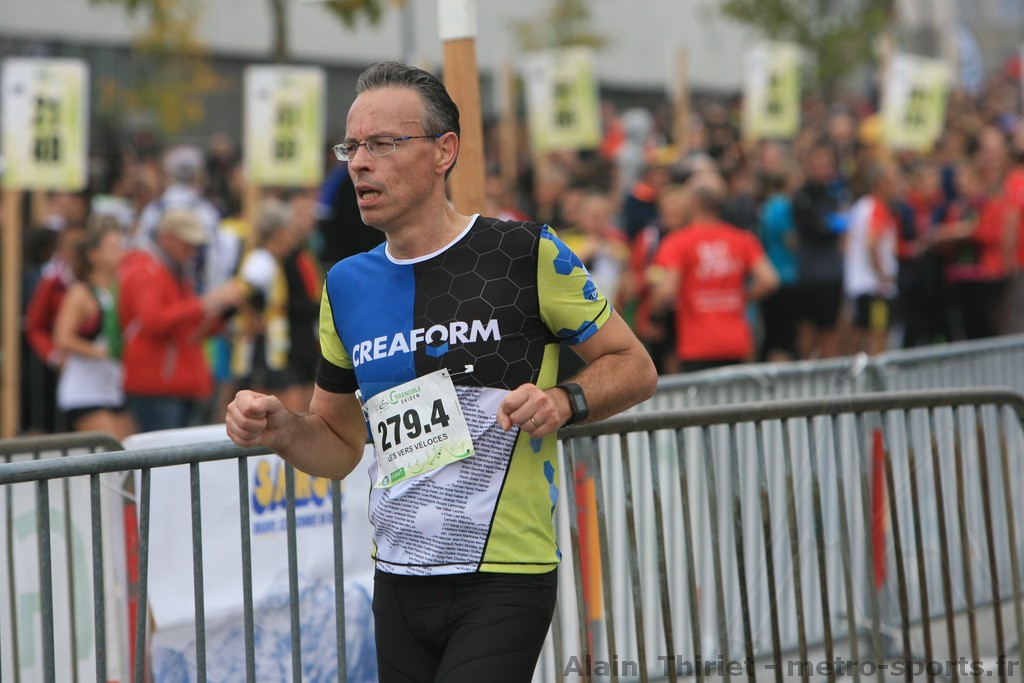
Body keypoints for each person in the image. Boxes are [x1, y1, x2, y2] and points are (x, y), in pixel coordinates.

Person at [226, 61, 658, 682]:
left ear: (443, 151)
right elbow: (339, 445)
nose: (359, 163)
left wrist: (564, 401)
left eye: (382, 144)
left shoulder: (523, 253)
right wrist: (281, 428)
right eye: (352, 147)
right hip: (399, 576)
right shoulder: (345, 285)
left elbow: (635, 365)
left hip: (503, 573)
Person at [120, 208, 247, 432]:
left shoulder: (175, 271)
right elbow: (153, 321)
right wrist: (207, 302)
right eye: (187, 243)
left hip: (179, 385)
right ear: (166, 237)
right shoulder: (146, 270)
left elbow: (188, 331)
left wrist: (223, 314)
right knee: (165, 452)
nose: (193, 250)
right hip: (158, 387)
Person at [649, 171, 779, 372]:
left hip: (696, 344)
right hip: (736, 341)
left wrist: (655, 316)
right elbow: (769, 280)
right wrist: (742, 297)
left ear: (693, 203)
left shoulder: (678, 242)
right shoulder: (741, 239)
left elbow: (666, 291)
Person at [53, 215, 136, 440]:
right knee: (112, 447)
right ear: (93, 254)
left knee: (131, 447)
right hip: (85, 391)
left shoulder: (121, 288)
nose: (119, 253)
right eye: (112, 247)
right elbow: (62, 338)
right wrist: (97, 351)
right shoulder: (81, 292)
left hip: (113, 387)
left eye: (120, 246)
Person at [843, 161, 901, 355]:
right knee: (878, 336)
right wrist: (882, 273)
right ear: (879, 183)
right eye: (892, 182)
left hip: (862, 284)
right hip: (875, 288)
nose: (897, 187)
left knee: (861, 334)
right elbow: (872, 242)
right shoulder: (876, 207)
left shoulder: (862, 206)